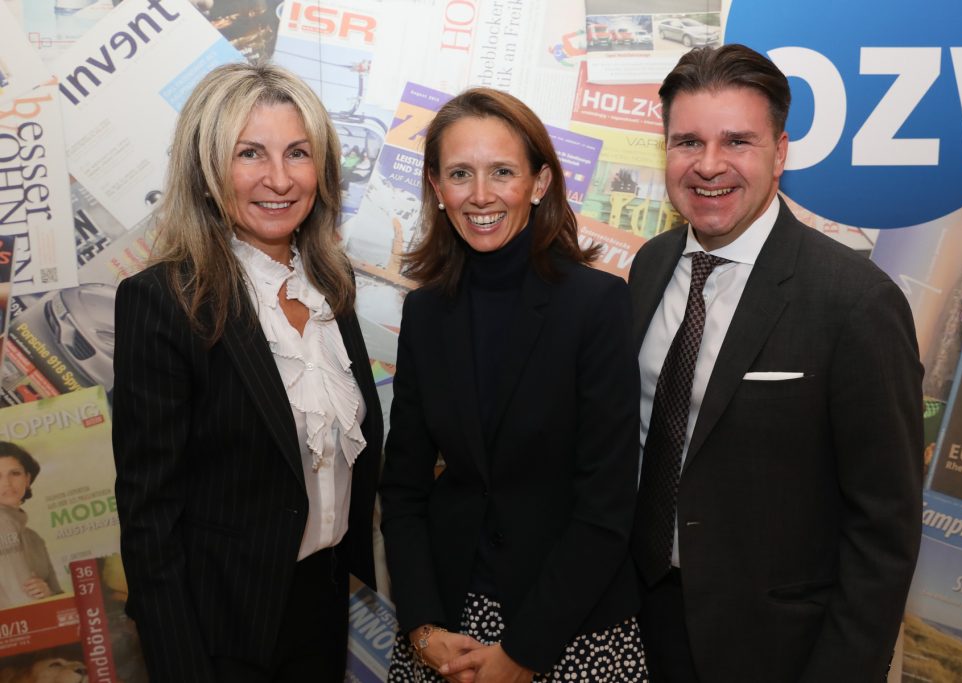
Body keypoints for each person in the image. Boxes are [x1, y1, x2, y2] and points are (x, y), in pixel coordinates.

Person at [630, 44, 923, 682]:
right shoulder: (650, 265)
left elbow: (885, 528)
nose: (709, 165)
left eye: (737, 141)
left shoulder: (856, 301)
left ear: (780, 152)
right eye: (688, 142)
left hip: (772, 649)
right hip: (637, 619)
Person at [112, 62, 383, 683]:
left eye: (298, 153)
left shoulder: (330, 286)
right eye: (250, 153)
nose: (279, 179)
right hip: (221, 629)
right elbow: (149, 518)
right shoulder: (165, 301)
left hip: (322, 604)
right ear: (207, 170)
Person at [380, 88, 646, 683]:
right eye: (460, 173)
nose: (481, 195)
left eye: (502, 171)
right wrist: (422, 626)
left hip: (568, 625)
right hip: (446, 627)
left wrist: (523, 652)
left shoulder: (597, 305)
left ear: (540, 182)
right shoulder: (425, 313)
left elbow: (607, 506)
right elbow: (402, 490)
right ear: (436, 187)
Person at [0, 442, 61, 608]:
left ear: (27, 479)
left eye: (15, 473)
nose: (7, 483)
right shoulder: (3, 524)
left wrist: (48, 592)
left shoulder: (34, 539)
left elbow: (58, 594)